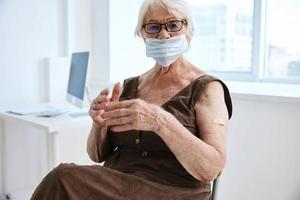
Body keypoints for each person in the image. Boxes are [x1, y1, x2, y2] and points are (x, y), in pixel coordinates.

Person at [31, 0, 232, 199]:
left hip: (171, 191)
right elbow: (97, 155)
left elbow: (211, 169)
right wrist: (99, 124)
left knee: (63, 178)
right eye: (153, 27)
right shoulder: (131, 86)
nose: (163, 34)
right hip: (117, 183)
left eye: (173, 25)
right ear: (142, 35)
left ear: (188, 29)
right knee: (63, 178)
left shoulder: (207, 88)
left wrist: (159, 121)